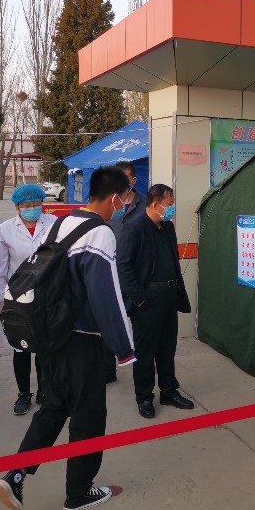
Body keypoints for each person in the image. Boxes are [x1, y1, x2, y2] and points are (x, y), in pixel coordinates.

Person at [0, 167, 136, 510]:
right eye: (124, 200)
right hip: (82, 343)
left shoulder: (60, 224)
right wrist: (124, 348)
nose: (123, 207)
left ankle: (15, 476)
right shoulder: (100, 233)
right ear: (114, 198)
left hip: (51, 337)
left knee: (54, 408)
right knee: (88, 418)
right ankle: (78, 493)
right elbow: (106, 294)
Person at [117, 183, 194, 419]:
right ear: (155, 204)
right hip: (147, 301)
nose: (172, 209)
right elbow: (123, 266)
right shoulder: (134, 227)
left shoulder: (167, 227)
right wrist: (139, 299)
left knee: (167, 348)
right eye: (169, 204)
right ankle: (144, 397)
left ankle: (169, 391)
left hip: (168, 297)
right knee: (145, 352)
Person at [0, 183, 58, 415]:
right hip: (17, 296)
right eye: (27, 205)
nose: (32, 209)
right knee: (20, 347)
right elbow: (0, 266)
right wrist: (0, 298)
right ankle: (23, 393)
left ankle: (43, 390)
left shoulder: (53, 223)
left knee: (43, 346)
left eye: (36, 204)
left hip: (46, 294)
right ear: (17, 207)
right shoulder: (6, 229)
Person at [103, 161, 144, 383]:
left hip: (136, 278)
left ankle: (141, 376)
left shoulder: (145, 205)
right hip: (110, 275)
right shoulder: (108, 206)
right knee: (108, 323)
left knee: (139, 328)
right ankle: (107, 370)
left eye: (124, 177)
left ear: (133, 180)